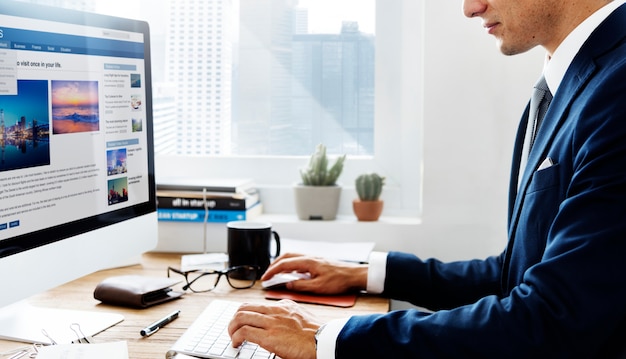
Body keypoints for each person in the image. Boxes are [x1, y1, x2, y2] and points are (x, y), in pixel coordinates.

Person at [228, 0, 626, 357]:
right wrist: (367, 273)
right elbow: (514, 275)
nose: (470, 8)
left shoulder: (617, 87)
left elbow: (554, 316)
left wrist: (331, 339)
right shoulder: (563, 87)